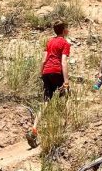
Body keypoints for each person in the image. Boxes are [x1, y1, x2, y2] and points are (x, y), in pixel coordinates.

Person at [27, 20, 71, 148]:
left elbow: (43, 59)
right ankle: (66, 126)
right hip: (57, 72)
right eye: (67, 28)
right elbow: (63, 62)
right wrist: (66, 81)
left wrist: (41, 73)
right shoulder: (64, 43)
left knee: (46, 101)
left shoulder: (49, 41)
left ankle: (34, 129)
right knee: (67, 97)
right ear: (64, 30)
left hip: (46, 72)